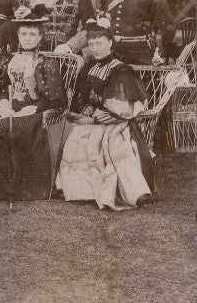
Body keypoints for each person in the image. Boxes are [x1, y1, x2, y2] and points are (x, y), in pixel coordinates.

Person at [53, 15, 153, 210]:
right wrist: (85, 115)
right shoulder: (89, 67)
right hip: (90, 120)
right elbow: (82, 100)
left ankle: (135, 192)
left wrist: (96, 117)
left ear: (110, 43)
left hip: (116, 122)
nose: (95, 48)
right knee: (76, 137)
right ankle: (83, 190)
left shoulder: (120, 69)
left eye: (99, 43)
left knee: (115, 145)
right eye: (91, 44)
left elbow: (122, 107)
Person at [0, 5, 66, 201]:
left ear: (40, 37)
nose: (27, 38)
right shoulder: (8, 60)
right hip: (9, 106)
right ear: (18, 35)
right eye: (23, 33)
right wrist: (3, 103)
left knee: (13, 130)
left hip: (34, 110)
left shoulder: (46, 62)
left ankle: (19, 188)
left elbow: (55, 98)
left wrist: (32, 108)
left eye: (32, 34)